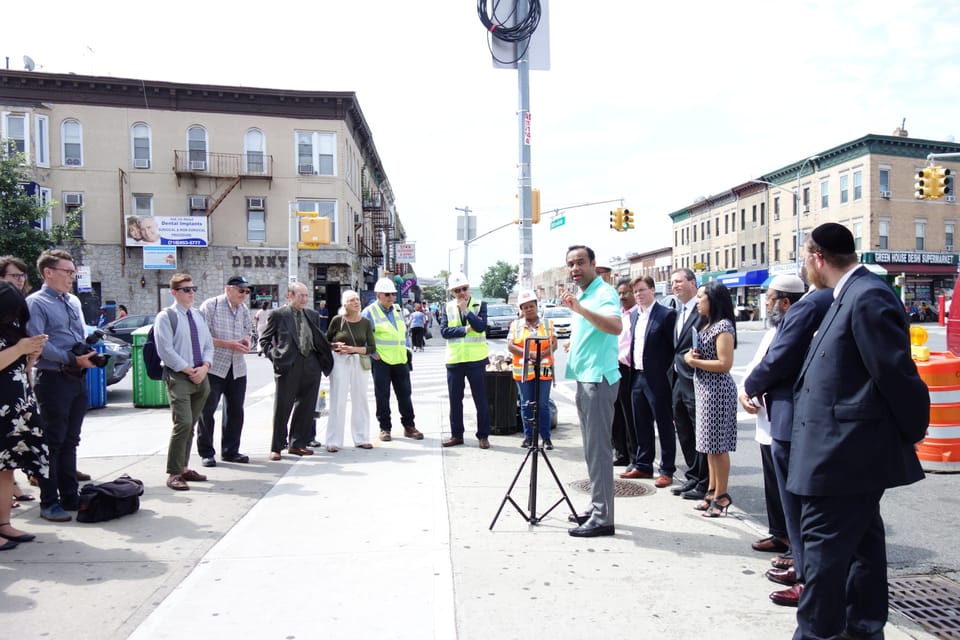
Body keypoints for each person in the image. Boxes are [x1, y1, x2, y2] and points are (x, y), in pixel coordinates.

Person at [790, 223, 928, 639]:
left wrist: (912, 428)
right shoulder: (845, 293)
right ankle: (864, 630)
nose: (803, 265)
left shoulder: (867, 295)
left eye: (803, 257)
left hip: (844, 456)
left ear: (818, 258)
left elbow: (895, 373)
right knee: (863, 552)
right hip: (840, 452)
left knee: (823, 561)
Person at [741, 274, 833, 608]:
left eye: (769, 299)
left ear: (784, 302)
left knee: (797, 500)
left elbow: (777, 360)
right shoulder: (819, 306)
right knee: (789, 497)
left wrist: (749, 386)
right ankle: (799, 560)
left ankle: (804, 571)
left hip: (790, 419)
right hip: (781, 418)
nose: (765, 304)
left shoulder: (806, 310)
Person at [26, 249, 99, 522]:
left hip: (76, 378)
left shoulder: (73, 302)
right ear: (48, 272)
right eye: (67, 272)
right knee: (52, 444)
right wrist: (71, 357)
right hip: (53, 379)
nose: (72, 277)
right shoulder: (36, 303)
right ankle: (49, 502)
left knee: (71, 441)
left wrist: (85, 355)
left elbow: (79, 334)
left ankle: (70, 496)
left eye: (73, 272)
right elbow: (38, 343)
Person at [562, 246, 622, 537]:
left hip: (598, 381)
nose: (575, 268)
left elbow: (615, 326)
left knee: (599, 451)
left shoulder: (603, 293)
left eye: (581, 263)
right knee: (590, 449)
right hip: (585, 378)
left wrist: (581, 310)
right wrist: (574, 345)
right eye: (571, 264)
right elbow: (592, 332)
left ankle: (603, 518)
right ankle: (597, 505)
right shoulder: (585, 295)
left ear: (594, 264)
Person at [259, 282, 334, 459]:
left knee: (306, 407)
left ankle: (297, 444)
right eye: (301, 295)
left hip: (311, 364)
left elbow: (317, 337)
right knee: (283, 406)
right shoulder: (279, 315)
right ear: (290, 295)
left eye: (307, 295)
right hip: (288, 364)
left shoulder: (312, 314)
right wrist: (274, 356)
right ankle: (276, 447)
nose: (304, 299)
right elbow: (265, 340)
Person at [0, 281, 49, 550]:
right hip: (3, 409)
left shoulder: (13, 331)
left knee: (7, 468)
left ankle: (4, 523)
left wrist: (31, 354)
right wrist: (20, 349)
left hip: (16, 409)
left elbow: (21, 369)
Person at [155, 273, 214, 491]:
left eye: (193, 288)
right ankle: (174, 472)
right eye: (186, 289)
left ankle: (185, 466)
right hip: (180, 376)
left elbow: (208, 344)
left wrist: (205, 367)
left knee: (191, 425)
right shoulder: (166, 316)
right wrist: (189, 370)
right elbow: (165, 350)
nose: (191, 293)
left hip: (201, 375)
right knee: (183, 423)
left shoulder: (198, 316)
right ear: (174, 292)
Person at [684, 280, 738, 518]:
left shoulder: (723, 326)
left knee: (718, 447)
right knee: (708, 446)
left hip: (717, 391)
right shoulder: (708, 325)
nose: (697, 302)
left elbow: (725, 364)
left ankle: (721, 495)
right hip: (705, 389)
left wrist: (695, 362)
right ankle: (712, 490)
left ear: (713, 300)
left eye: (700, 297)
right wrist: (691, 356)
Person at [621, 275, 677, 488]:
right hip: (637, 376)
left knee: (664, 425)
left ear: (653, 290)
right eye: (635, 292)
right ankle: (643, 465)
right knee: (640, 424)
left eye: (642, 290)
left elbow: (673, 348)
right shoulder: (634, 315)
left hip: (658, 379)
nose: (638, 295)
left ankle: (667, 469)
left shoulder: (666, 315)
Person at [196, 275, 253, 468]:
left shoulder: (244, 309)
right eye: (241, 290)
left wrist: (247, 341)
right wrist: (228, 344)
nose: (244, 294)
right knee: (207, 410)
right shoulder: (210, 306)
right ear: (228, 289)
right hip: (214, 366)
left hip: (237, 367)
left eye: (246, 291)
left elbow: (249, 331)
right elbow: (202, 337)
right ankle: (206, 452)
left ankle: (230, 451)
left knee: (236, 411)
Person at [667, 268, 709, 501]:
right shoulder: (676, 311)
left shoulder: (702, 310)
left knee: (699, 431)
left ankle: (705, 481)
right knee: (683, 429)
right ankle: (693, 475)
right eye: (672, 282)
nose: (675, 286)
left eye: (679, 281)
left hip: (696, 379)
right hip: (677, 380)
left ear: (693, 283)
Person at [363, 278, 421, 442]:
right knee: (382, 395)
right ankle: (385, 428)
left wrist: (408, 348)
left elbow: (403, 332)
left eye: (393, 294)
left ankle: (409, 426)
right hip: (381, 361)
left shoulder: (397, 310)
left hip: (400, 359)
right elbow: (363, 335)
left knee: (405, 395)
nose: (391, 297)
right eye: (387, 294)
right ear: (378, 295)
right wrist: (373, 353)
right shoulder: (370, 312)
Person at [440, 272, 490, 449]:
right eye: (457, 290)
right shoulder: (447, 307)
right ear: (452, 292)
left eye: (464, 289)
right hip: (455, 360)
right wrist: (465, 329)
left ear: (469, 288)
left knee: (481, 400)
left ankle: (483, 436)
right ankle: (456, 435)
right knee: (455, 400)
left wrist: (466, 311)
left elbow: (481, 327)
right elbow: (444, 331)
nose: (461, 292)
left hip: (476, 360)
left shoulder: (479, 305)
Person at [325, 290, 376, 452]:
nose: (356, 302)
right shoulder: (337, 320)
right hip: (340, 361)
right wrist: (335, 346)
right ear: (345, 304)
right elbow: (326, 341)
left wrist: (353, 348)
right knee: (337, 399)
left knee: (360, 400)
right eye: (352, 300)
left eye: (357, 300)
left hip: (358, 361)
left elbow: (372, 348)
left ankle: (361, 438)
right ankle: (333, 441)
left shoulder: (366, 322)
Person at [507, 290, 557, 449]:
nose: (529, 309)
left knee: (543, 404)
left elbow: (554, 343)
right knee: (526, 404)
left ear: (537, 306)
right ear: (521, 309)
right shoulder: (515, 325)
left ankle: (546, 438)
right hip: (523, 370)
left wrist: (542, 353)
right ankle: (528, 437)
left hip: (544, 368)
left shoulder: (548, 324)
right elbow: (510, 346)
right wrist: (529, 354)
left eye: (531, 306)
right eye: (525, 307)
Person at [610, 278, 637, 467]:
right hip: (613, 367)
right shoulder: (617, 314)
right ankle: (621, 453)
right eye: (619, 293)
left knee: (630, 414)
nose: (622, 296)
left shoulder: (639, 315)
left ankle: (634, 454)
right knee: (615, 413)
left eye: (626, 292)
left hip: (630, 369)